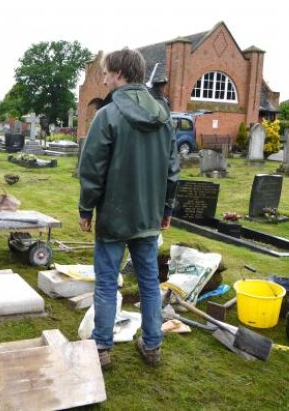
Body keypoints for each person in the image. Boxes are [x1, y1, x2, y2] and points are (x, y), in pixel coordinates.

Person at [78, 48, 179, 367]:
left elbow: (92, 167)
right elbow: (172, 169)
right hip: (149, 217)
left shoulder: (107, 115)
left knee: (107, 282)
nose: (103, 78)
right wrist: (166, 209)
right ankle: (152, 347)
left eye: (106, 72)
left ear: (120, 74)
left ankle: (102, 349)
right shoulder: (164, 117)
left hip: (114, 217)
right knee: (150, 283)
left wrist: (86, 209)